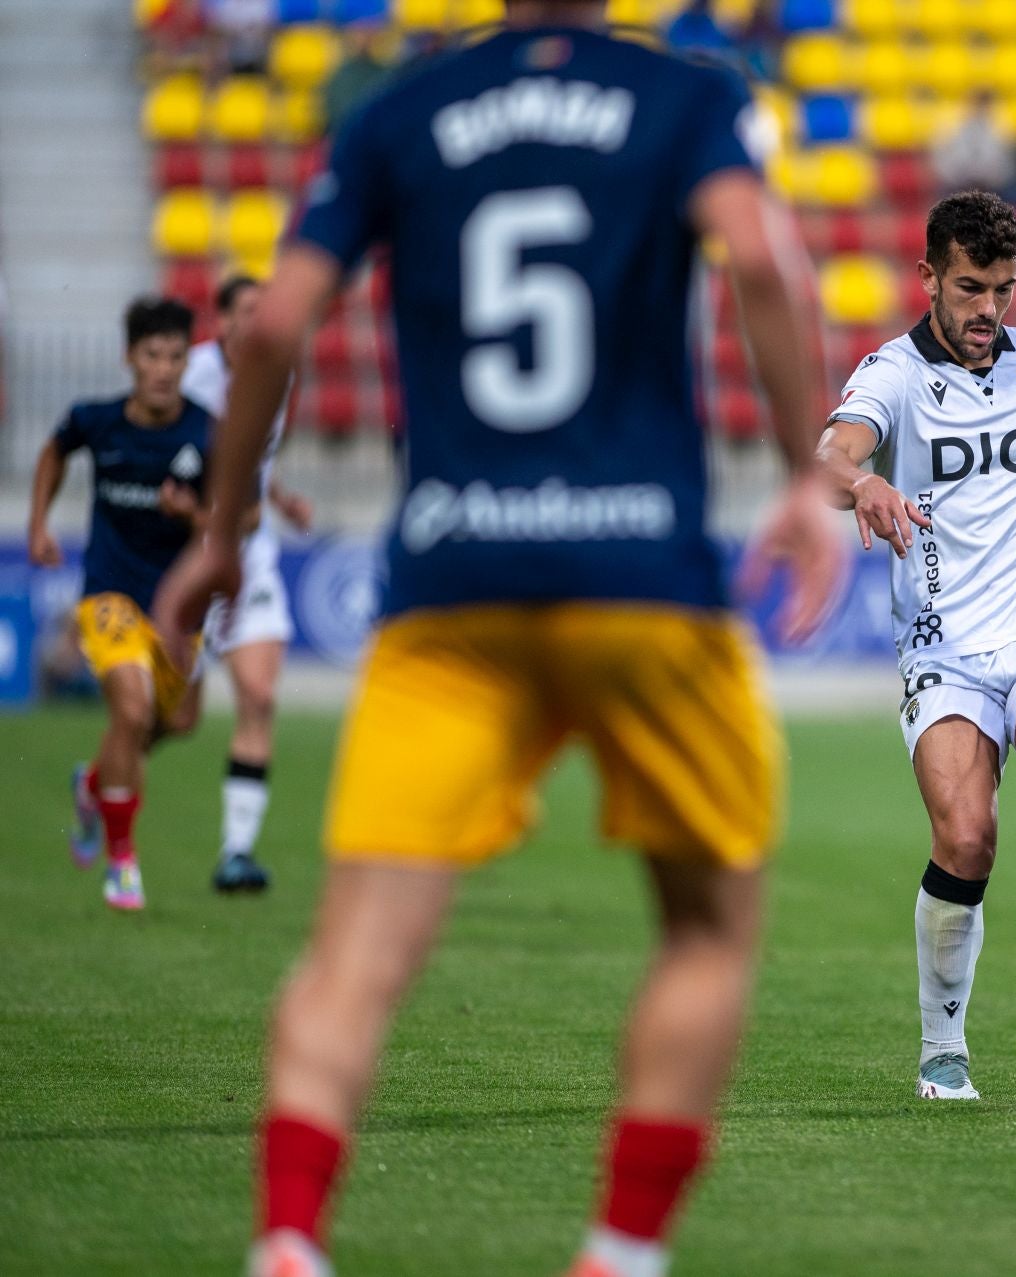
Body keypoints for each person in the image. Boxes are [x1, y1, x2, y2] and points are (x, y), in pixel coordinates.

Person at [152, 3, 846, 1274]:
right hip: (645, 581)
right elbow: (758, 258)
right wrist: (809, 475)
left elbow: (270, 324)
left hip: (451, 587)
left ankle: (290, 1238)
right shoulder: (688, 97)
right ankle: (618, 1252)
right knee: (704, 930)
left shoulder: (396, 114)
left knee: (354, 955)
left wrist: (227, 527)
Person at [814, 190, 1016, 1102]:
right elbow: (830, 456)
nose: (987, 312)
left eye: (1002, 290)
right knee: (966, 838)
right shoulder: (893, 376)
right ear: (928, 279)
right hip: (944, 644)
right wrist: (864, 484)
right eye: (969, 288)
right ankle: (942, 1047)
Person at [26, 296, 214, 912]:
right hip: (108, 594)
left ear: (188, 362)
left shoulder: (206, 432)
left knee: (176, 722)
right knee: (131, 714)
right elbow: (54, 452)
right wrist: (38, 525)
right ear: (129, 358)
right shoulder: (95, 419)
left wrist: (195, 517)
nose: (164, 368)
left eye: (175, 356)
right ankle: (123, 860)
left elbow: (234, 519)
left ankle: (92, 783)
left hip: (176, 604)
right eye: (152, 354)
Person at [181, 274, 314, 894]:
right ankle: (102, 785)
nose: (262, 322)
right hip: (184, 555)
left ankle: (237, 852)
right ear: (224, 321)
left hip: (251, 556)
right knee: (169, 718)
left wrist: (278, 498)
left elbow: (255, 458)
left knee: (258, 694)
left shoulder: (277, 372)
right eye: (249, 311)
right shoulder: (189, 379)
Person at [930, 91, 1016, 195]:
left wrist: (992, 177)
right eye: (977, 103)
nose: (981, 108)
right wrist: (959, 176)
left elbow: (1010, 164)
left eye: (984, 104)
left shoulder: (1003, 129)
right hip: (957, 185)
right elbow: (941, 161)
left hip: (993, 187)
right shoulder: (953, 128)